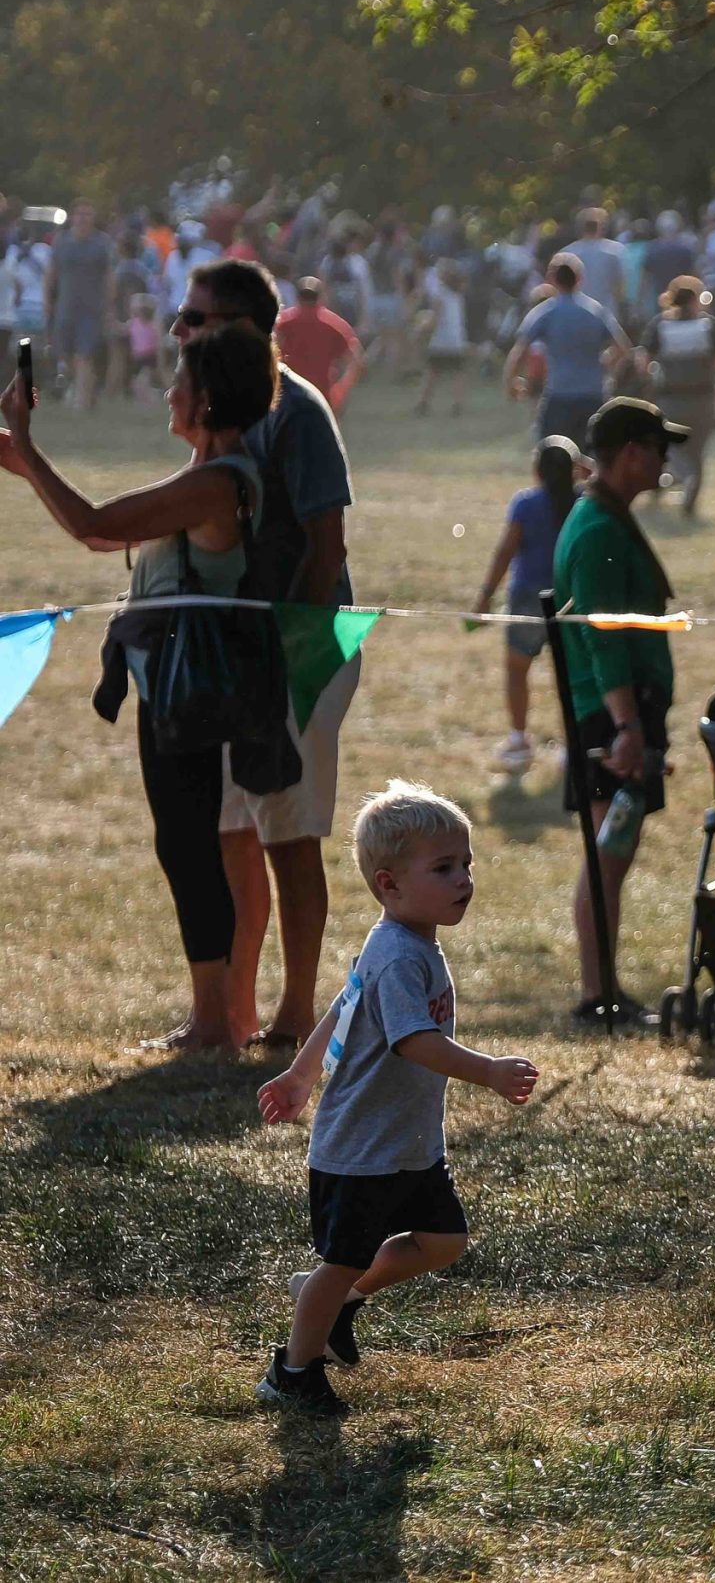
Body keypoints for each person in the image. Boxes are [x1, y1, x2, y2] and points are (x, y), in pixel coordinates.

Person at [0, 321, 278, 1050]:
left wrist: (25, 443)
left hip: (196, 693)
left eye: (178, 382)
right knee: (184, 842)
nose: (167, 393)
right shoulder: (209, 475)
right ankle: (212, 1014)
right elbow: (104, 523)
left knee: (191, 844)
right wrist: (21, 453)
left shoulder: (218, 483)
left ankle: (214, 1021)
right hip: (175, 686)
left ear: (207, 399)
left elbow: (94, 527)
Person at [251, 781, 538, 1416]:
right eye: (444, 867)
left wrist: (300, 1074)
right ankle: (292, 1371)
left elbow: (343, 1008)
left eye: (466, 864)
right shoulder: (399, 956)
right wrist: (488, 1071)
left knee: (443, 1240)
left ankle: (343, 1298)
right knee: (339, 1262)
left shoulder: (406, 943)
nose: (464, 879)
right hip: (360, 1152)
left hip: (407, 1146)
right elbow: (414, 1042)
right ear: (390, 885)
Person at [171, 261, 361, 1052]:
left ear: (241, 326)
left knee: (289, 835)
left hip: (298, 652)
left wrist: (291, 655)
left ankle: (295, 1015)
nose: (179, 328)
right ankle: (229, 1012)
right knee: (231, 831)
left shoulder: (298, 411)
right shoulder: (221, 410)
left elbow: (326, 546)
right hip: (240, 658)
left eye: (195, 318)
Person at [554, 397, 684, 1025]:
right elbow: (604, 637)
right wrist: (628, 726)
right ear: (631, 453)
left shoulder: (605, 517)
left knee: (615, 855)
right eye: (659, 448)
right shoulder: (599, 530)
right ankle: (595, 993)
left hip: (620, 713)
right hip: (611, 717)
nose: (664, 461)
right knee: (607, 856)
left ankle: (604, 987)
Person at [470, 438, 586, 775]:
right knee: (571, 676)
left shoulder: (526, 503)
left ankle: (519, 739)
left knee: (517, 669)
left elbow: (505, 551)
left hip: (527, 598)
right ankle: (573, 744)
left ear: (537, 471)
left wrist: (485, 595)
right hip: (570, 597)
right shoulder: (583, 502)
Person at [506, 253, 629, 446]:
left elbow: (519, 352)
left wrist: (511, 382)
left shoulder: (545, 312)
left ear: (552, 279)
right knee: (593, 453)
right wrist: (604, 363)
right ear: (580, 279)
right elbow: (623, 348)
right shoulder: (596, 311)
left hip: (559, 395)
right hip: (593, 394)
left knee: (553, 452)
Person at [638, 275, 715, 516]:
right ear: (696, 299)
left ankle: (680, 477)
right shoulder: (709, 325)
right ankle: (690, 492)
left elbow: (644, 361)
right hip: (703, 397)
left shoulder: (659, 324)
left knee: (670, 445)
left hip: (670, 397)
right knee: (697, 450)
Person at [45, 200, 113, 410]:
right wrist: (47, 301)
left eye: (87, 214)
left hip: (91, 308)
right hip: (65, 306)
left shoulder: (102, 243)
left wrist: (108, 305)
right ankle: (88, 390)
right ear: (73, 217)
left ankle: (80, 402)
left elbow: (109, 277)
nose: (83, 218)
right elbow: (51, 273)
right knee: (65, 353)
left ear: (93, 218)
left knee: (85, 353)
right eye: (80, 214)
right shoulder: (62, 241)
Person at [273, 277, 363, 414]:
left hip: (290, 394)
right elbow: (356, 360)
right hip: (323, 395)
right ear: (321, 297)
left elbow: (269, 353)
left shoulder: (284, 323)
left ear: (297, 297)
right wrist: (341, 390)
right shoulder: (333, 324)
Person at [415, 258, 470, 418]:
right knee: (458, 373)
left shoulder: (440, 294)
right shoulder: (458, 295)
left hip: (441, 340)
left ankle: (423, 403)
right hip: (457, 339)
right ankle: (457, 404)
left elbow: (435, 318)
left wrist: (421, 329)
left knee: (432, 372)